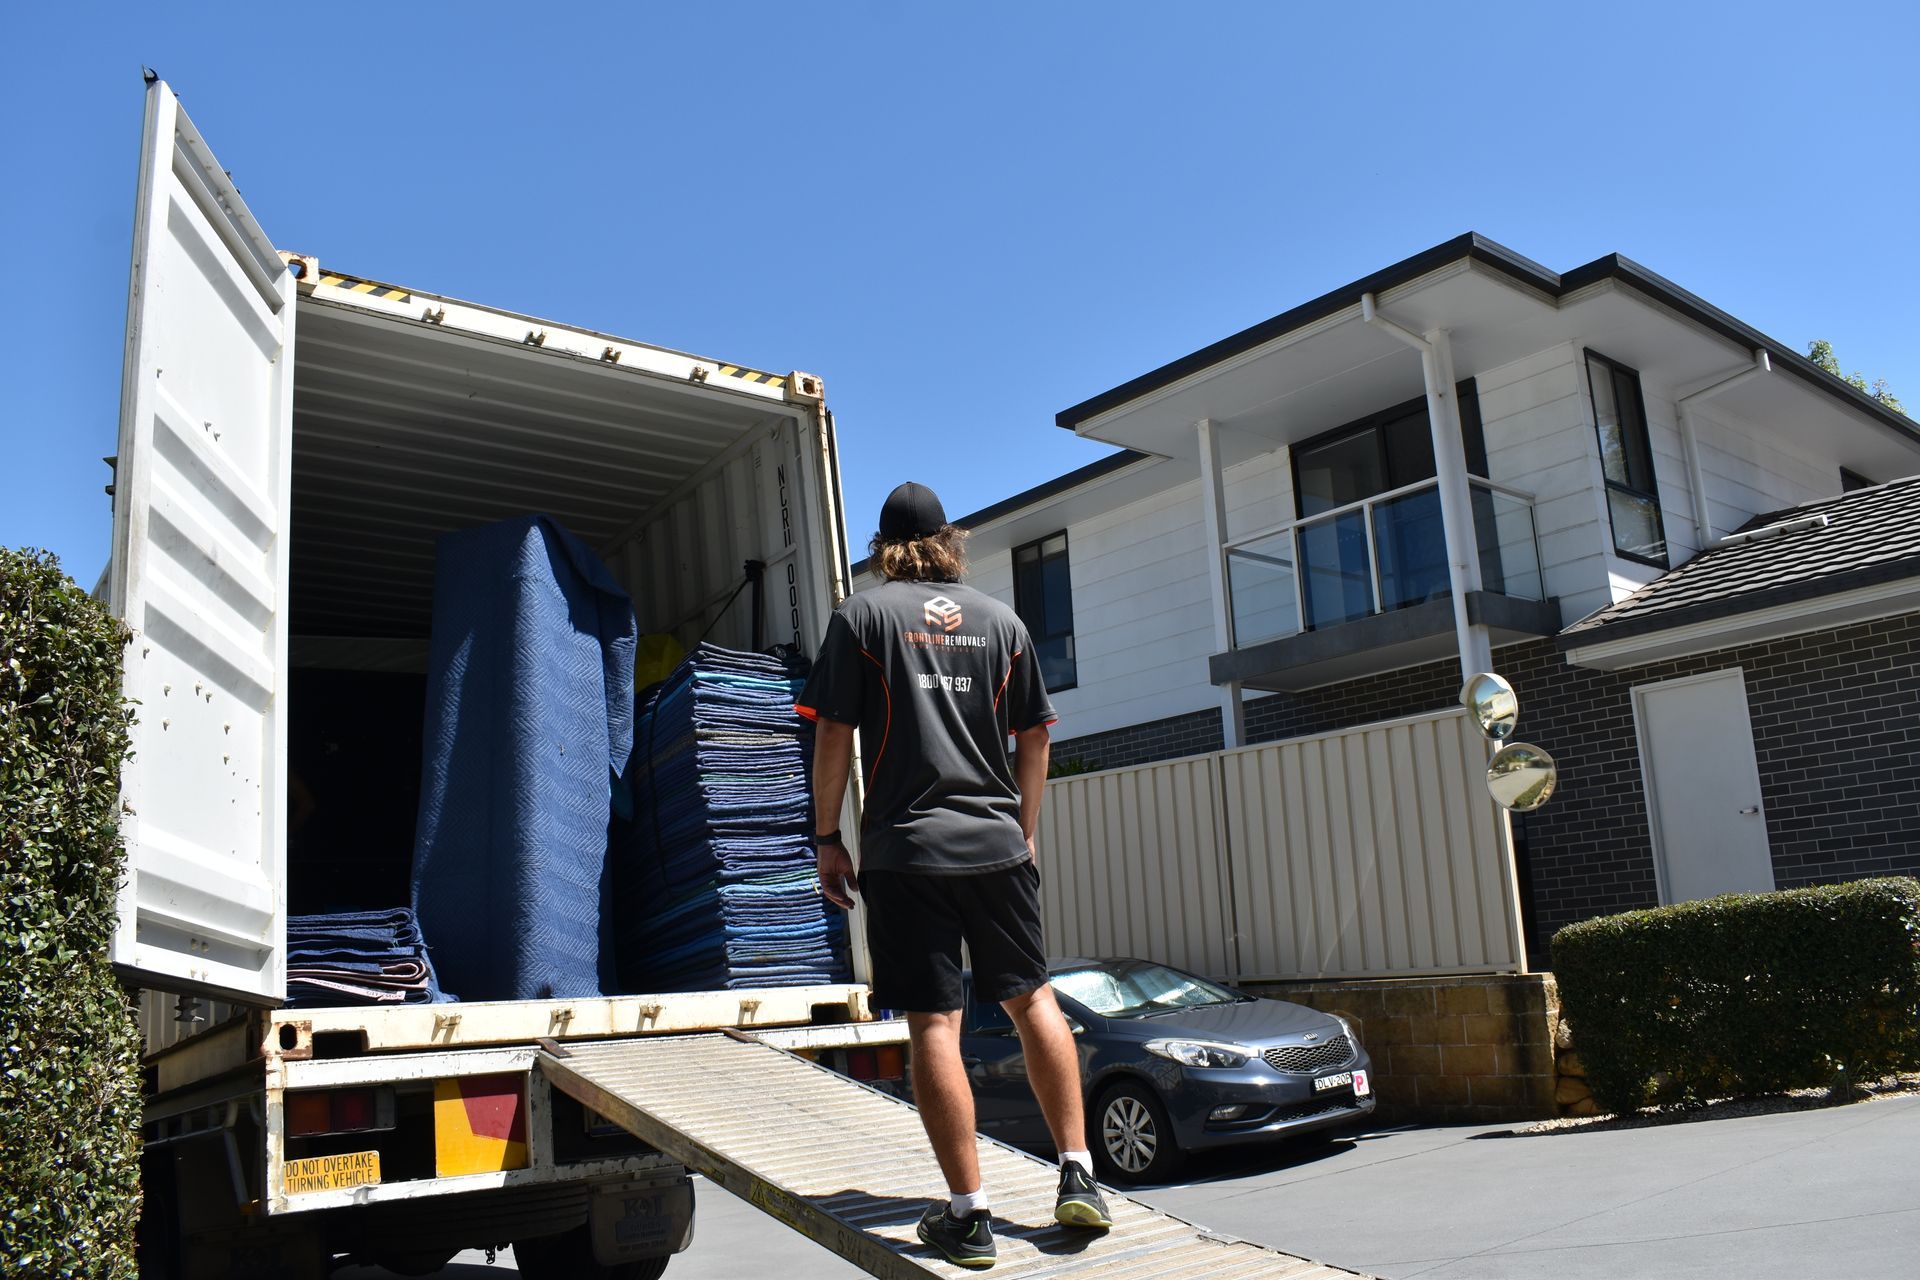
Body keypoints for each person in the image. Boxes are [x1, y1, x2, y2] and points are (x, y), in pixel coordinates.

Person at [797, 481, 1111, 1269]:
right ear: (949, 540)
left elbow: (835, 730)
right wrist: (1022, 831)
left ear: (883, 548)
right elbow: (1035, 736)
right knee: (1032, 998)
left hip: (905, 851)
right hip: (996, 847)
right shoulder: (1003, 622)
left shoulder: (862, 616)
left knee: (936, 1023)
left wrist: (827, 836)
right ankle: (1080, 1172)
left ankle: (969, 1217)